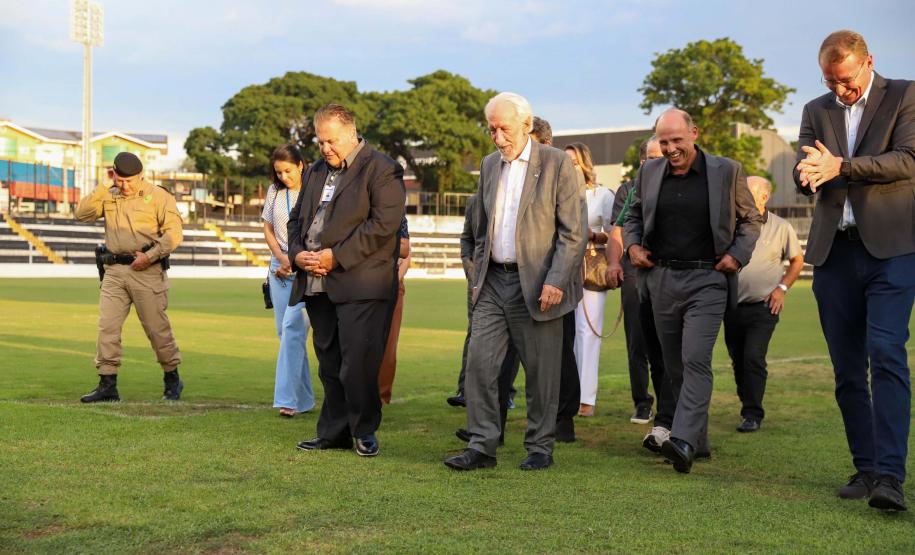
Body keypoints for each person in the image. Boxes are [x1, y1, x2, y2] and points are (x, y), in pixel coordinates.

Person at [794, 30, 915, 511]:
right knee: (847, 369)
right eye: (830, 81)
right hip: (834, 254)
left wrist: (841, 166)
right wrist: (807, 175)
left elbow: (906, 160)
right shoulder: (814, 110)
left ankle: (891, 477)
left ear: (868, 63)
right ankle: (865, 469)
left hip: (892, 249)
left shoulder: (906, 95)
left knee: (887, 352)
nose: (839, 91)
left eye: (845, 81)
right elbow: (809, 170)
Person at [444, 92, 586, 471]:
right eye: (491, 128)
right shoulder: (490, 165)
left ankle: (540, 447)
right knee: (479, 365)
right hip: (492, 283)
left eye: (503, 128)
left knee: (541, 373)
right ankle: (482, 445)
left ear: (527, 125)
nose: (497, 136)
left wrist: (556, 279)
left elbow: (574, 233)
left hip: (539, 285)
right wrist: (474, 273)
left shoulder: (557, 164)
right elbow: (476, 227)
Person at [624, 108, 761, 474]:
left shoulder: (727, 170)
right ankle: (697, 441)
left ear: (694, 133)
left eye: (676, 140)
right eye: (663, 141)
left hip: (708, 279)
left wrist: (737, 255)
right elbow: (633, 216)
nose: (669, 148)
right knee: (674, 366)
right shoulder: (648, 172)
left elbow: (750, 219)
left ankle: (681, 440)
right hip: (662, 279)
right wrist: (633, 247)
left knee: (695, 358)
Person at [289, 103, 406, 458]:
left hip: (362, 283)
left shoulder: (383, 169)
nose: (325, 148)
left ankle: (364, 429)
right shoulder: (313, 172)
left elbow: (382, 227)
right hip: (316, 283)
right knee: (329, 363)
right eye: (320, 141)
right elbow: (297, 221)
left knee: (358, 363)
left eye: (332, 141)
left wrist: (335, 255)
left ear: (352, 134)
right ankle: (334, 432)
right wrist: (297, 254)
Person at [75, 151, 184, 402]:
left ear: (141, 175)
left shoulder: (159, 197)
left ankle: (172, 378)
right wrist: (104, 185)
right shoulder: (109, 195)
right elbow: (81, 214)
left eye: (130, 181)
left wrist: (151, 255)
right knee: (107, 327)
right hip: (114, 270)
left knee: (157, 329)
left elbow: (173, 234)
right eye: (119, 180)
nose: (124, 186)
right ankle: (107, 384)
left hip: (147, 270)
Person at [723, 176, 804, 433]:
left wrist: (781, 289)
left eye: (748, 191)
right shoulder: (731, 225)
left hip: (763, 307)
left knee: (753, 357)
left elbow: (797, 261)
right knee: (738, 359)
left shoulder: (781, 227)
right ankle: (747, 404)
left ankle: (752, 413)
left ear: (764, 197)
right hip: (731, 306)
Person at [607, 137, 670, 438]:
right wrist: (614, 263)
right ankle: (641, 401)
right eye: (649, 157)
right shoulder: (629, 190)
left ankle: (668, 411)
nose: (653, 162)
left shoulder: (679, 183)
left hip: (669, 274)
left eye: (659, 156)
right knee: (637, 339)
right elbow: (617, 231)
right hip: (635, 271)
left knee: (666, 345)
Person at [530, 116, 583, 443]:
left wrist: (557, 278)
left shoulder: (563, 172)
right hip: (516, 280)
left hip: (555, 280)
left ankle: (563, 418)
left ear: (546, 143)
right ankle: (493, 417)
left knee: (560, 353)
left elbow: (573, 233)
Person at [262, 144, 315, 417]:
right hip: (278, 267)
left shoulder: (313, 190)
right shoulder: (274, 191)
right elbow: (268, 228)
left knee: (293, 328)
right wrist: (281, 259)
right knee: (286, 334)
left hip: (305, 266)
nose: (283, 176)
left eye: (287, 170)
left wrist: (293, 260)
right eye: (278, 172)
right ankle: (304, 399)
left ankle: (287, 400)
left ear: (301, 165)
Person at [564, 142, 614, 418]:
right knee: (564, 333)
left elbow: (613, 231)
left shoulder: (602, 195)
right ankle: (566, 394)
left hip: (591, 267)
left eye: (573, 161)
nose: (569, 165)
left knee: (588, 332)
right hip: (562, 266)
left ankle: (586, 398)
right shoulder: (558, 194)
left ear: (584, 163)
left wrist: (591, 236)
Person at [378, 216, 411, 404]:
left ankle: (382, 396)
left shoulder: (398, 215)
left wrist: (392, 281)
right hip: (363, 284)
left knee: (389, 344)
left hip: (393, 284)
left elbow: (407, 255)